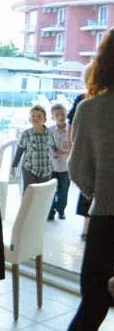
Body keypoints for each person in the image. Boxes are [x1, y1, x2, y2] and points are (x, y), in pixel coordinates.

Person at [60, 28, 114, 331]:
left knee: (91, 309)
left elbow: (78, 170)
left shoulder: (90, 109)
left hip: (106, 221)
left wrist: (102, 191)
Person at [69, 64, 94, 240]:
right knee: (88, 194)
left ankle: (88, 228)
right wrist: (73, 146)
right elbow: (71, 124)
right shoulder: (83, 101)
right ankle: (87, 227)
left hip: (91, 155)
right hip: (88, 154)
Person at [10, 105, 57, 194]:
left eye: (39, 116)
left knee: (42, 194)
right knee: (29, 193)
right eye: (33, 116)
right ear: (29, 119)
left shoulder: (50, 133)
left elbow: (54, 147)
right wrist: (14, 166)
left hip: (46, 169)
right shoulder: (26, 134)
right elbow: (19, 150)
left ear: (45, 119)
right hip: (30, 169)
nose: (36, 118)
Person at [48, 103, 71, 221]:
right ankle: (50, 212)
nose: (60, 116)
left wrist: (62, 152)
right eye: (57, 115)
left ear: (66, 114)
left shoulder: (71, 130)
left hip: (66, 167)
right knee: (50, 191)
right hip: (52, 167)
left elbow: (75, 148)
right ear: (52, 117)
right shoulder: (50, 131)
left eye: (62, 114)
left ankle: (61, 210)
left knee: (63, 191)